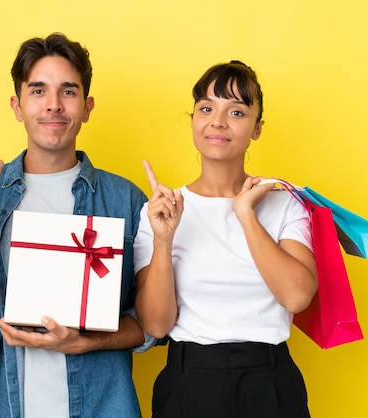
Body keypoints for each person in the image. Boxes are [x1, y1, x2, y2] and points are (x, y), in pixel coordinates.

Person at [0, 33, 151, 418]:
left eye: (68, 92)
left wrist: (89, 342)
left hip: (102, 405)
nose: (54, 106)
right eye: (38, 91)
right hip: (4, 405)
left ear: (88, 106)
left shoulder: (126, 200)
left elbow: (153, 326)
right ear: (17, 105)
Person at [133, 61, 318, 417]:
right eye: (206, 108)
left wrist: (246, 214)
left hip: (270, 382)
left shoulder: (284, 204)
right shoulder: (162, 210)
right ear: (193, 121)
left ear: (257, 129)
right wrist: (162, 240)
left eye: (236, 111)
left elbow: (296, 296)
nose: (217, 121)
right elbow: (156, 325)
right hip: (189, 382)